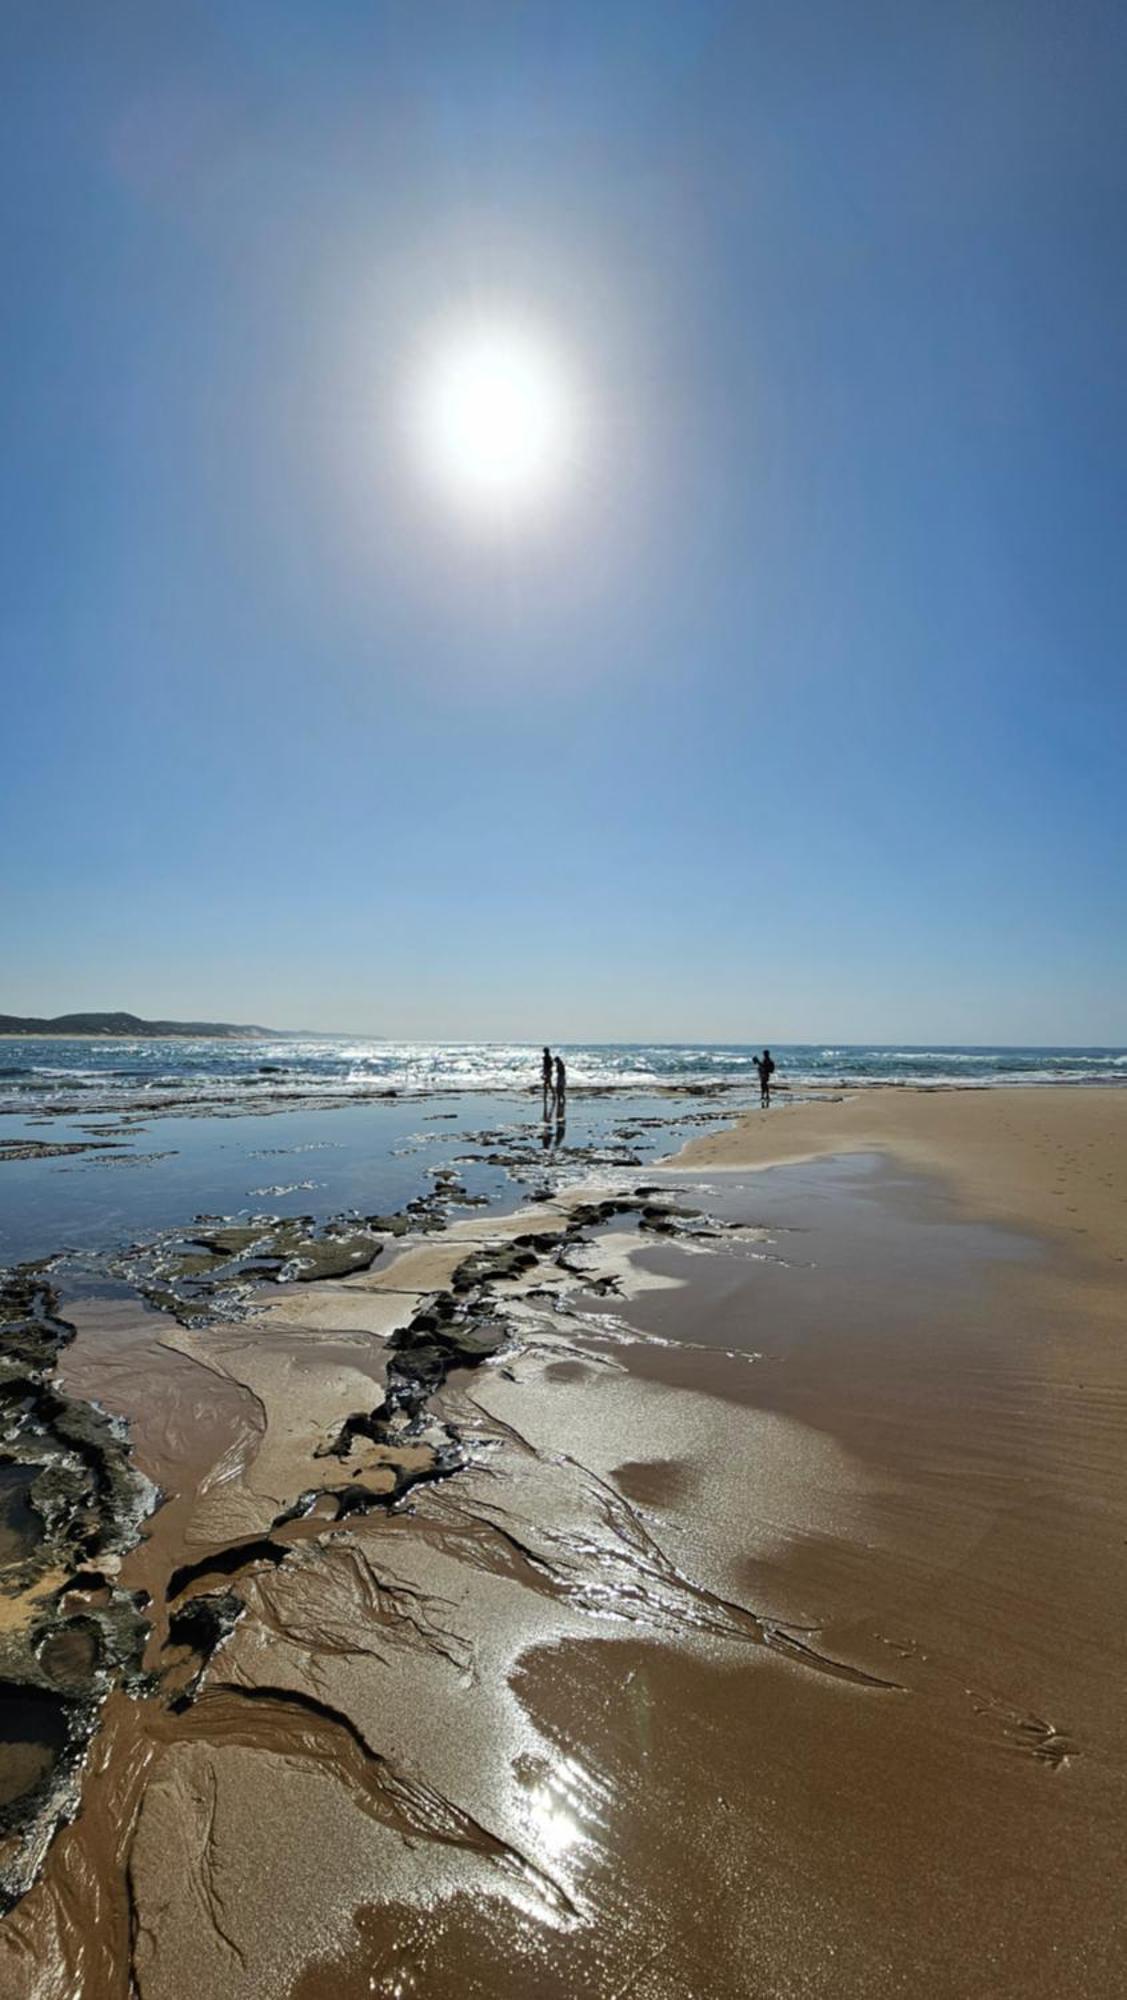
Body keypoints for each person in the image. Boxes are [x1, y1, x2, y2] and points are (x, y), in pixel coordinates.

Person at [541, 1046, 554, 1115]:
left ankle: (546, 1096)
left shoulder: (547, 1058)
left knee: (546, 1084)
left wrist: (545, 1072)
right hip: (548, 1072)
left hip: (548, 1072)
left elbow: (546, 1066)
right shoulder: (548, 1057)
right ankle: (551, 1095)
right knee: (548, 1084)